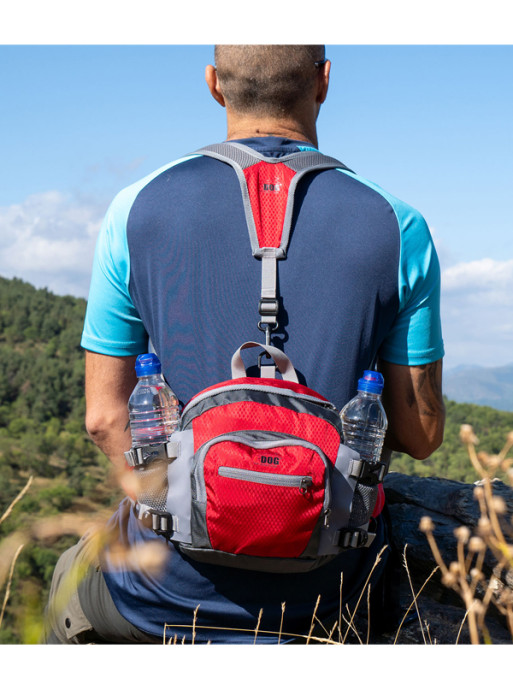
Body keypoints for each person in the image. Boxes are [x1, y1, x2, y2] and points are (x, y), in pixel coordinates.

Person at [43, 45, 445, 644]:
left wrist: (187, 510)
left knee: (61, 586)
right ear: (324, 81)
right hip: (328, 592)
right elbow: (420, 433)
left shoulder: (134, 208)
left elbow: (105, 419)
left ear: (213, 84)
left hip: (161, 591)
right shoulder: (398, 223)